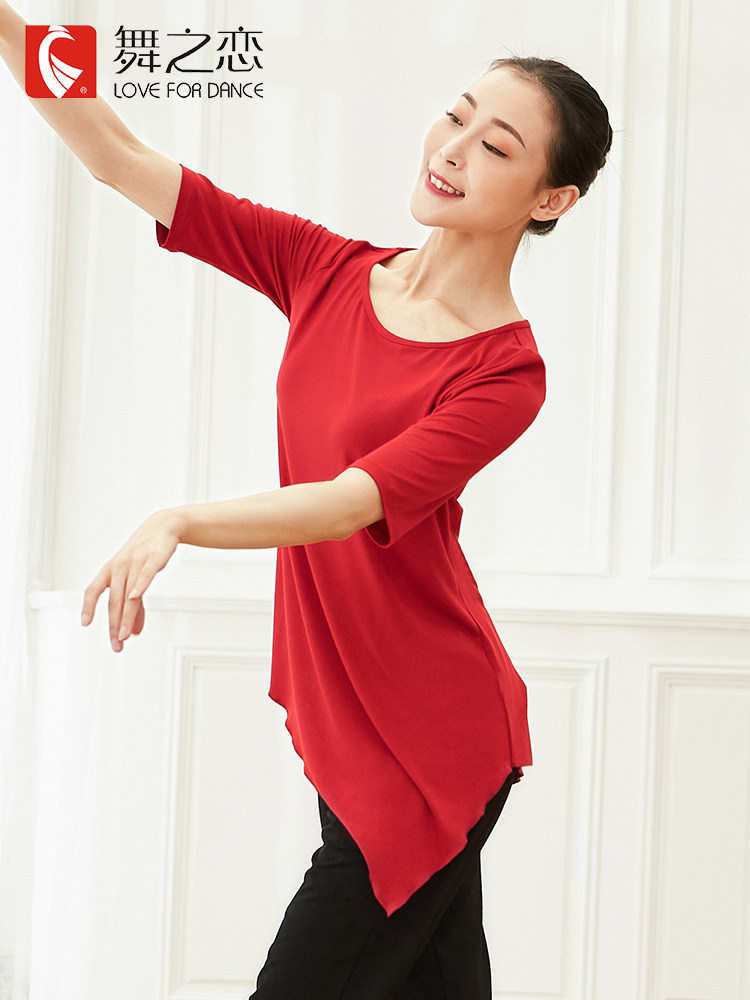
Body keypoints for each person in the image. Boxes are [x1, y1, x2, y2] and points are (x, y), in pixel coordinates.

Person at [1, 6, 613, 996]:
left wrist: (180, 519)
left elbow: (348, 502)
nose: (453, 149)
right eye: (456, 116)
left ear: (553, 198)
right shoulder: (325, 269)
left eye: (496, 146)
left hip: (433, 735)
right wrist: (11, 29)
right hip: (356, 712)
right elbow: (116, 157)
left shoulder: (506, 372)